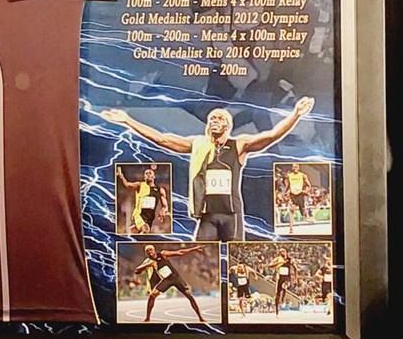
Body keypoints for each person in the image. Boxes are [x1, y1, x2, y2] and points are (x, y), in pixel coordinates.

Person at [102, 96, 314, 241]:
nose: (214, 120)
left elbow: (271, 136)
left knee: (233, 258)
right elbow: (162, 139)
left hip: (232, 214)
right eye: (212, 118)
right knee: (202, 251)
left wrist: (295, 114)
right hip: (207, 215)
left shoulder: (239, 145)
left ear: (228, 126)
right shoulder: (198, 144)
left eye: (220, 118)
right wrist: (128, 121)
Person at [132, 244, 206, 322]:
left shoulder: (163, 254)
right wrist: (148, 265)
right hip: (166, 280)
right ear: (146, 253)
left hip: (175, 278)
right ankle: (147, 318)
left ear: (154, 250)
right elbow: (137, 271)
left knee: (189, 295)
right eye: (147, 251)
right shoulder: (148, 261)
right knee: (152, 295)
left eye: (151, 250)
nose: (150, 252)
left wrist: (194, 249)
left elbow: (180, 252)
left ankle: (200, 318)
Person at [117, 165, 169, 233]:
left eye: (150, 173)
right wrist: (121, 176)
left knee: (144, 232)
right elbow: (127, 185)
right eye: (146, 173)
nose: (148, 175)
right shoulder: (140, 185)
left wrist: (163, 210)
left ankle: (135, 229)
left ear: (154, 176)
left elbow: (165, 206)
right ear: (144, 177)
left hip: (150, 216)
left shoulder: (160, 190)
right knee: (145, 230)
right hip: (139, 214)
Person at [267, 247, 298, 315]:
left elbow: (295, 269)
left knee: (284, 286)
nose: (282, 253)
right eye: (280, 252)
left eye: (283, 251)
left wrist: (295, 279)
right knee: (277, 294)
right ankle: (276, 309)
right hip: (279, 277)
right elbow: (269, 265)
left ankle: (283, 298)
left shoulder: (290, 259)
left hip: (287, 277)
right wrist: (279, 262)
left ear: (286, 252)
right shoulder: (278, 259)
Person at [285, 163, 313, 233]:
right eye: (294, 167)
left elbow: (309, 185)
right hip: (293, 194)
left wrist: (306, 191)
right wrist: (285, 192)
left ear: (299, 168)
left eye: (296, 167)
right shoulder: (289, 176)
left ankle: (307, 216)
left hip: (300, 194)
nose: (295, 168)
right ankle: (291, 228)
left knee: (303, 211)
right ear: (292, 168)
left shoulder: (303, 175)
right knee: (292, 210)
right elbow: (288, 185)